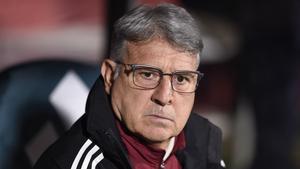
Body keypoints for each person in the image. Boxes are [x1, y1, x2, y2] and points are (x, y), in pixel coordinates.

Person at [33, 3, 225, 169]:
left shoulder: (203, 146)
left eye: (182, 79)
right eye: (147, 75)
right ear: (109, 76)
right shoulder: (71, 163)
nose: (164, 96)